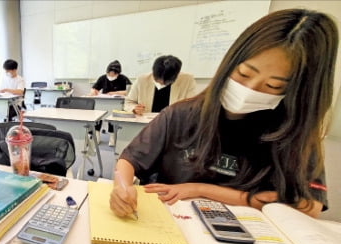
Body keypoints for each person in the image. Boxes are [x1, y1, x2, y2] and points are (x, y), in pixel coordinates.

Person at [110, 9, 339, 219]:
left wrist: (200, 190)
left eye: (273, 86)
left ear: (297, 93)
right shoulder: (182, 114)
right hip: (172, 225)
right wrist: (122, 187)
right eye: (244, 73)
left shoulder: (294, 134)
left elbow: (308, 206)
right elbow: (129, 160)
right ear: (230, 63)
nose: (250, 90)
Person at [124, 55, 196, 115]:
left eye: (165, 82)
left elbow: (192, 106)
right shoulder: (142, 80)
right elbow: (128, 102)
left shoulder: (187, 80)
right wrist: (134, 108)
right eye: (157, 80)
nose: (160, 84)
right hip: (147, 123)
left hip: (173, 123)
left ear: (176, 76)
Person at [90, 60, 132, 146]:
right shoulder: (103, 78)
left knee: (112, 116)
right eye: (109, 73)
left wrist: (114, 93)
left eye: (113, 74)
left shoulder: (123, 79)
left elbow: (129, 92)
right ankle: (97, 134)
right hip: (104, 101)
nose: (111, 75)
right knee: (98, 115)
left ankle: (112, 136)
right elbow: (94, 88)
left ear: (118, 73)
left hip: (117, 103)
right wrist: (94, 91)